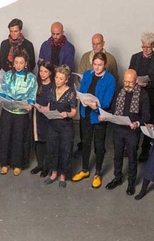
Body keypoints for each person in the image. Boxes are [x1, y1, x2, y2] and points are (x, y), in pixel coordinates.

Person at [70, 53, 116, 186]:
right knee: (85, 142)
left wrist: (94, 105)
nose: (97, 67)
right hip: (86, 113)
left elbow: (107, 101)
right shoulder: (88, 74)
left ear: (105, 64)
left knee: (99, 145)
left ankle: (98, 172)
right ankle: (85, 169)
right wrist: (81, 98)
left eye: (100, 65)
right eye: (95, 64)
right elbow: (83, 90)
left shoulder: (110, 79)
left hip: (99, 116)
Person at [128, 33, 154, 159]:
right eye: (143, 46)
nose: (145, 49)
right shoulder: (135, 57)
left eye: (148, 47)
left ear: (153, 45)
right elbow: (129, 73)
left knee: (147, 121)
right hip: (135, 93)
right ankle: (131, 147)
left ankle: (145, 150)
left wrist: (148, 84)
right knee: (133, 119)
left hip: (150, 95)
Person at [42, 66, 78, 186]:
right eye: (56, 77)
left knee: (65, 150)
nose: (57, 80)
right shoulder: (52, 90)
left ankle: (63, 175)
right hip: (52, 124)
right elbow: (48, 106)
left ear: (66, 80)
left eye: (60, 78)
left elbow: (74, 112)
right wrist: (41, 109)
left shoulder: (71, 93)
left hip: (65, 126)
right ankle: (54, 173)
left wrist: (67, 114)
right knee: (52, 148)